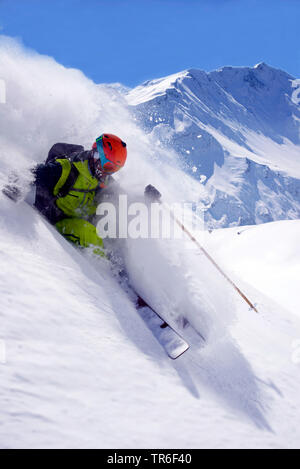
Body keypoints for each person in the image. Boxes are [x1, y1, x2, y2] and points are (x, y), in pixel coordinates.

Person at [32, 133, 127, 256]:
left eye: (114, 169)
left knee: (117, 230)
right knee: (90, 234)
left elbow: (123, 198)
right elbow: (35, 172)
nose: (108, 173)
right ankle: (109, 270)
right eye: (108, 166)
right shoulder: (67, 169)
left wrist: (147, 198)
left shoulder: (103, 179)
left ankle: (124, 264)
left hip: (82, 215)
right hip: (59, 218)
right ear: (97, 155)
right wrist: (18, 184)